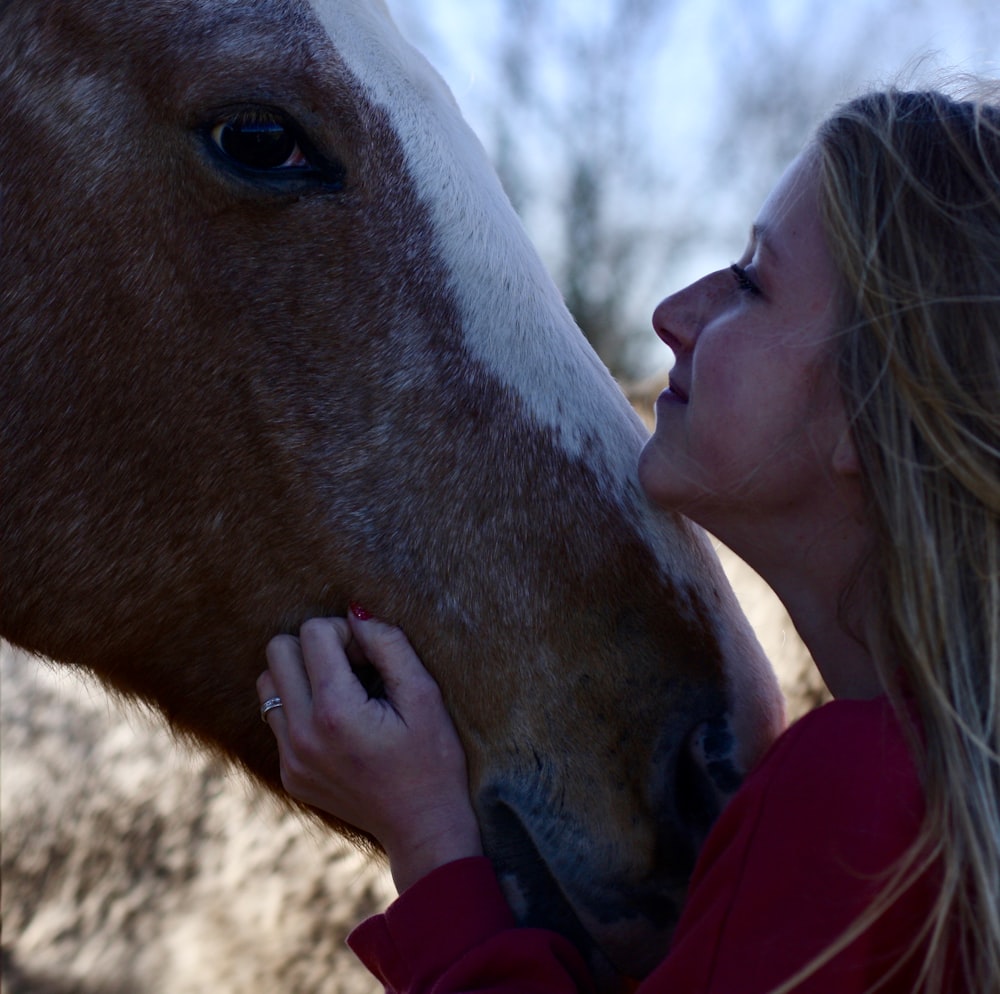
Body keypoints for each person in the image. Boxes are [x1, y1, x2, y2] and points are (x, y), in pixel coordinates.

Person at [257, 79, 1000, 993]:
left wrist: (431, 841)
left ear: (876, 410)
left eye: (752, 284)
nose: (674, 313)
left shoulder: (862, 799)